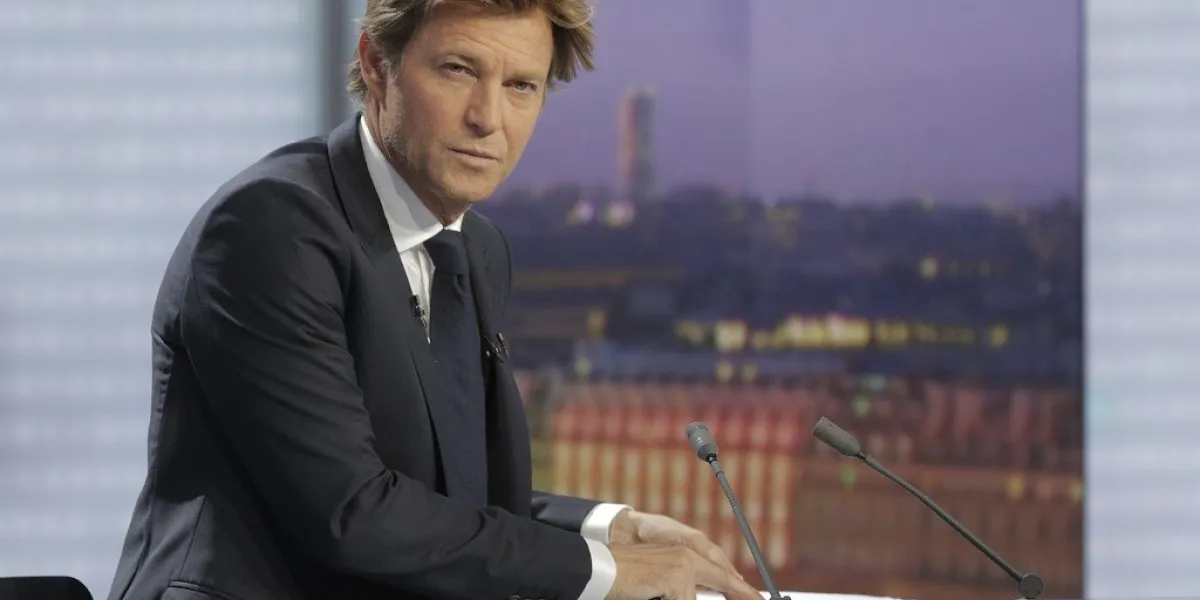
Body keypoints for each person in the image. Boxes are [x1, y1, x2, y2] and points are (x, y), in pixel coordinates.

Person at [105, 1, 764, 599]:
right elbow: (353, 510)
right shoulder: (272, 228)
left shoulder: (475, 249)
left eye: (520, 87)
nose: (488, 118)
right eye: (456, 70)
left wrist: (608, 528)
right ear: (376, 64)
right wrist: (603, 573)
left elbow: (446, 498)